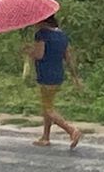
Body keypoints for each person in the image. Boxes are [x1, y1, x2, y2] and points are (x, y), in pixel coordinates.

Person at [22, 14, 83, 147]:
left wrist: (29, 51)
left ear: (42, 20)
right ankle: (45, 136)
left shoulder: (41, 34)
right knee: (47, 106)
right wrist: (75, 77)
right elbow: (68, 57)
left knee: (48, 109)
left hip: (46, 75)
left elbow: (39, 54)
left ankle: (71, 130)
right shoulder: (62, 35)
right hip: (58, 74)